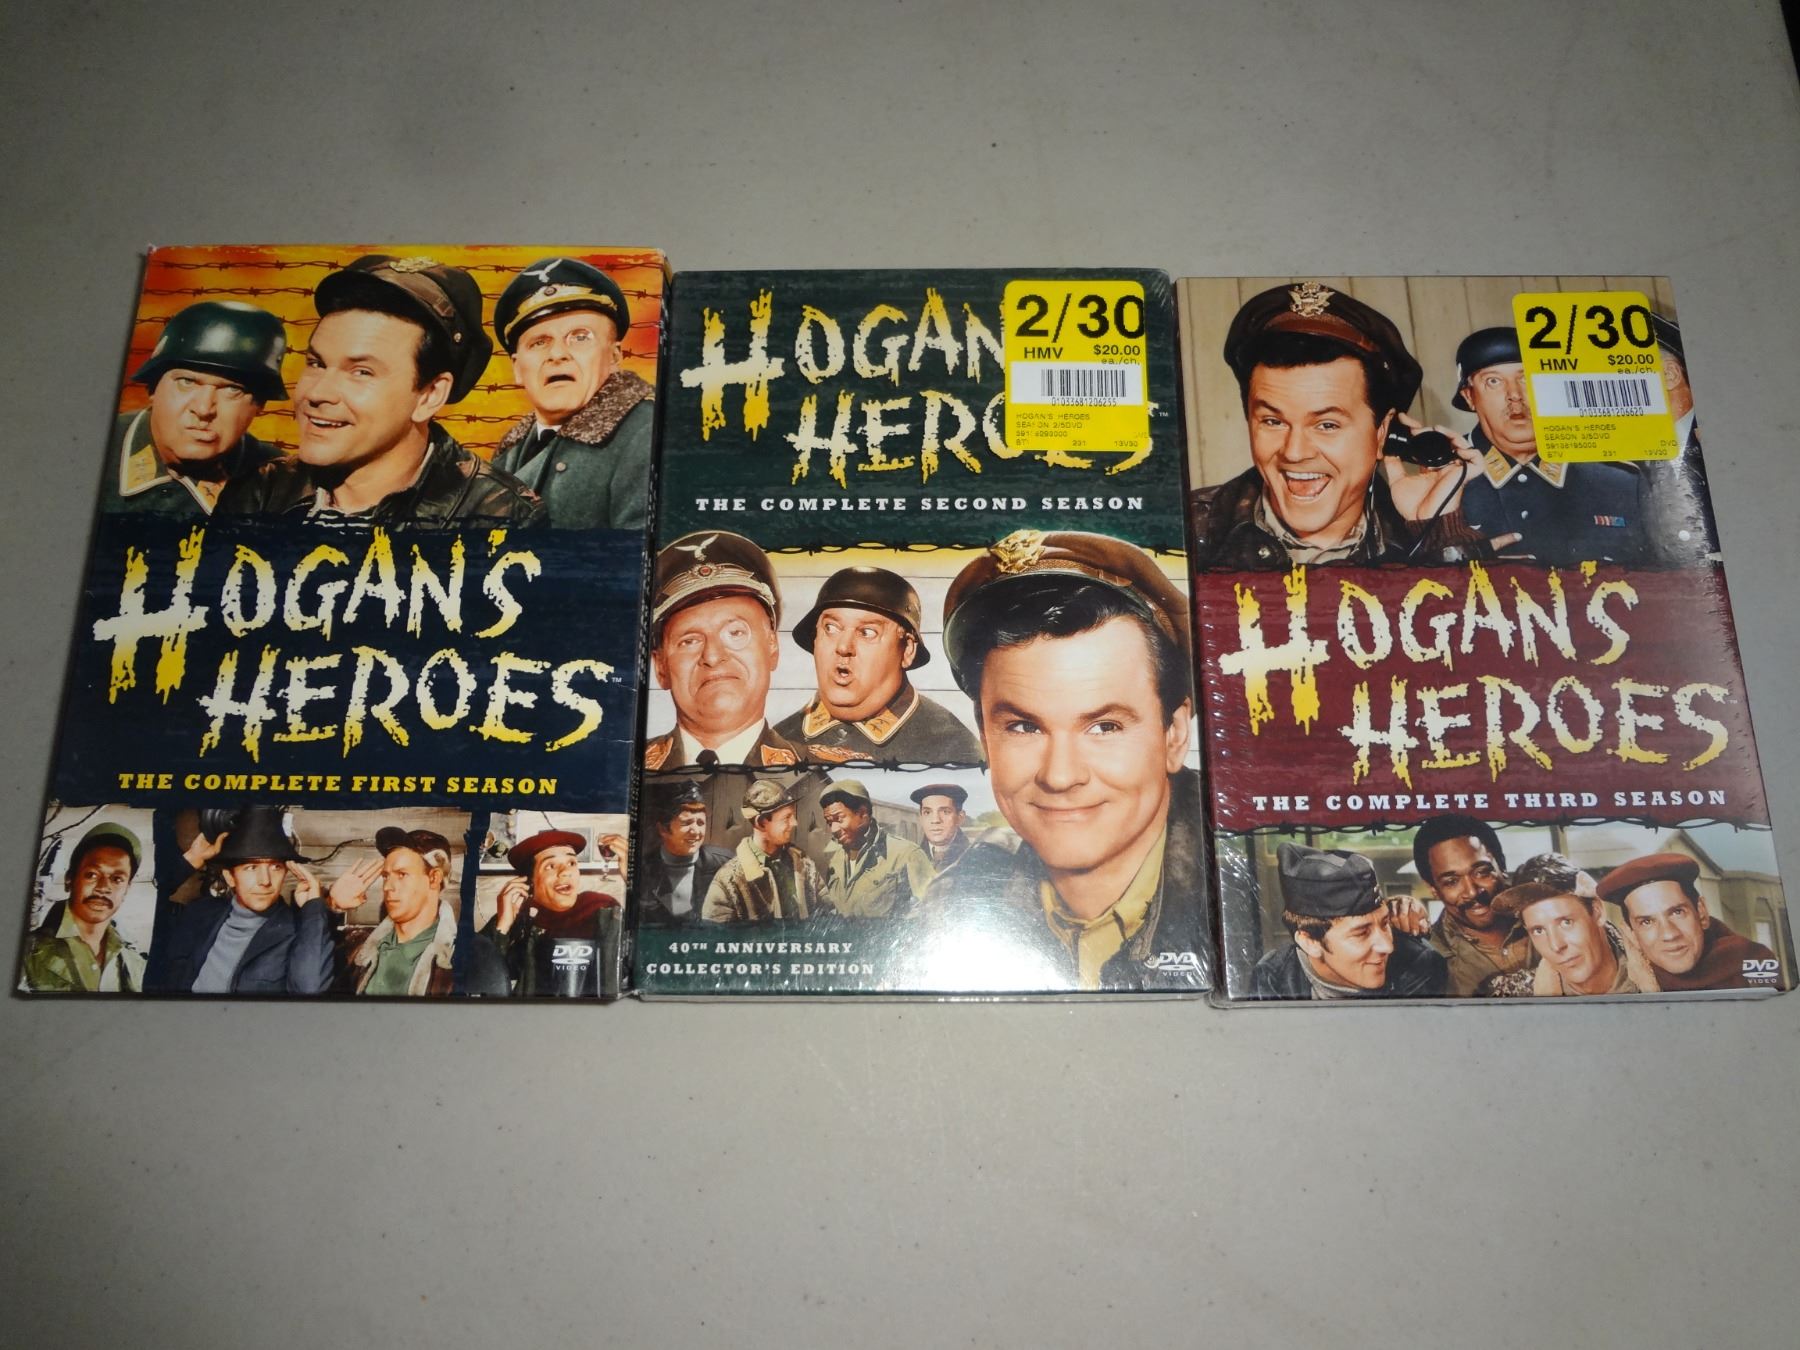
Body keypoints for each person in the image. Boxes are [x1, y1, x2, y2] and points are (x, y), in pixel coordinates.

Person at [934, 529, 1208, 990]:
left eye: (1104, 727)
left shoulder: (1262, 893)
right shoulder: (950, 902)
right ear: (984, 735)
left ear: (1175, 734)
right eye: (1024, 727)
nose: (1060, 776)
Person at [215, 254, 544, 524]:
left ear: (430, 395)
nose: (317, 394)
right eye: (316, 363)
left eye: (361, 372)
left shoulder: (501, 518)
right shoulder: (257, 495)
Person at [1189, 281, 1485, 569]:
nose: (1294, 452)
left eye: (1327, 425)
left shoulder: (1423, 531)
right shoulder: (1186, 528)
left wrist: (1437, 531)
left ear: (1383, 434)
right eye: (1273, 421)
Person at [1450, 326, 1647, 564]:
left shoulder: (1617, 480)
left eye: (1527, 378)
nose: (1514, 394)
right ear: (1469, 397)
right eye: (1493, 381)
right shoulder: (1444, 480)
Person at [490, 257, 655, 529]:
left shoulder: (645, 434)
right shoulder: (507, 453)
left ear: (614, 357)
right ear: (517, 368)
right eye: (539, 342)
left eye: (580, 337)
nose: (557, 354)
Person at [772, 566, 981, 765]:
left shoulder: (953, 748)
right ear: (815, 637)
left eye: (867, 633)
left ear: (907, 650)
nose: (843, 647)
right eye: (831, 628)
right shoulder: (779, 739)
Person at [104, 301, 286, 516]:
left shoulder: (280, 482)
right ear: (153, 388)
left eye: (232, 389)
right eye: (187, 382)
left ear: (259, 404)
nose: (204, 409)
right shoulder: (94, 448)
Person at [644, 530, 801, 769]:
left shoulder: (825, 774)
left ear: (772, 647)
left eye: (735, 633)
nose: (713, 656)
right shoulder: (623, 766)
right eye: (689, 641)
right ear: (660, 667)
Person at [154, 807, 336, 995]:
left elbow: (310, 992)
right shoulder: (200, 913)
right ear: (230, 877)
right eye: (251, 868)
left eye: (275, 867)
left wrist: (314, 907)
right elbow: (149, 916)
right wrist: (191, 860)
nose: (265, 880)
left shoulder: (299, 930)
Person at [1249, 841, 1447, 999]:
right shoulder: (1272, 978)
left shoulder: (1421, 967)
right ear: (1309, 942)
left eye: (1385, 923)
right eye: (1362, 933)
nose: (1387, 946)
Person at [1599, 852, 1782, 992]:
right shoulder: (1624, 982)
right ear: (1631, 934)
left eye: (1677, 912)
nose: (1669, 934)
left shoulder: (1752, 959)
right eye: (1647, 922)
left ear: (1701, 913)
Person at [1402, 813, 1531, 997]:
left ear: (1502, 865)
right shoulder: (1425, 958)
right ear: (1433, 889)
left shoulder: (1550, 913)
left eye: (1481, 872)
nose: (1472, 892)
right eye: (1451, 881)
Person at [328, 827, 467, 996]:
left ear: (434, 878)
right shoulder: (357, 946)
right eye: (386, 876)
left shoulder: (462, 957)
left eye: (402, 874)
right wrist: (333, 907)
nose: (387, 886)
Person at [485, 829, 624, 998]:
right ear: (530, 880)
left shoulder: (601, 908)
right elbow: (483, 980)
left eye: (571, 863)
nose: (565, 871)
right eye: (550, 866)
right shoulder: (517, 916)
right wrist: (503, 926)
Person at [20, 822, 147, 992]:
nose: (103, 887)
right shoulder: (25, 954)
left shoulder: (136, 966)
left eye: (117, 879)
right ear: (69, 880)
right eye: (92, 875)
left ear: (126, 890)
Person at [1483, 878, 1657, 997]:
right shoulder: (1515, 998)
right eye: (1538, 930)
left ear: (1597, 912)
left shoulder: (1662, 976)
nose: (1556, 945)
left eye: (1566, 922)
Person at [701, 778, 828, 922]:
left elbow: (830, 918)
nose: (794, 822)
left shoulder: (805, 866)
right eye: (786, 817)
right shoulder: (728, 880)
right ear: (761, 822)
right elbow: (715, 933)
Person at [818, 779, 934, 918]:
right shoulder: (836, 860)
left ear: (862, 813)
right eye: (829, 822)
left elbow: (934, 912)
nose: (833, 829)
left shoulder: (907, 854)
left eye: (839, 818)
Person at [639, 780, 732, 926]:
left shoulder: (726, 865)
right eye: (686, 823)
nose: (695, 832)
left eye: (700, 823)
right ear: (663, 829)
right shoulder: (643, 868)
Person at [910, 782, 973, 879]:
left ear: (960, 817)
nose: (935, 820)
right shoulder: (907, 859)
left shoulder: (974, 859)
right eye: (927, 812)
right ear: (921, 818)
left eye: (945, 812)